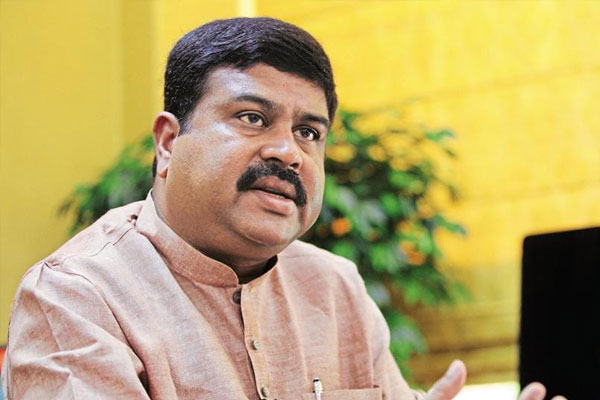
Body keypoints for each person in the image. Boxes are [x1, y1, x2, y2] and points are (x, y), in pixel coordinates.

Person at [2, 17, 564, 400]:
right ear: (169, 142)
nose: (288, 152)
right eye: (252, 118)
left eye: (309, 132)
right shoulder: (76, 298)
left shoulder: (335, 286)